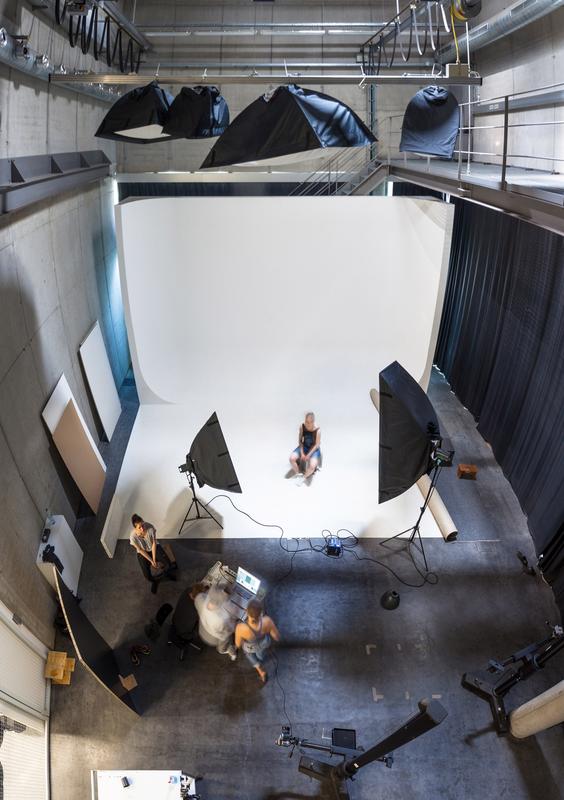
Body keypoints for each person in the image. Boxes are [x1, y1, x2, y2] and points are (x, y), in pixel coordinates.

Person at [130, 514, 177, 594]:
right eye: (139, 527)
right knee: (147, 576)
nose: (142, 528)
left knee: (168, 565)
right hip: (143, 553)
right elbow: (140, 550)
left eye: (143, 525)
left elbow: (154, 544)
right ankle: (155, 581)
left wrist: (154, 559)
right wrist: (151, 561)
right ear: (135, 528)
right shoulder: (132, 537)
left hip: (153, 547)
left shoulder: (150, 528)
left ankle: (166, 575)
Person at [235, 600, 280, 684]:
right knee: (261, 655)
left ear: (246, 612)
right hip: (264, 643)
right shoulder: (267, 621)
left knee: (248, 654)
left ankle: (260, 670)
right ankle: (261, 659)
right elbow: (276, 637)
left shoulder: (240, 627)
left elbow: (238, 644)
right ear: (261, 613)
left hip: (250, 647)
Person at [190, 583, 237, 660]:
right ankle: (225, 651)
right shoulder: (220, 619)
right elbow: (230, 629)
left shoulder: (199, 599)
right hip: (213, 637)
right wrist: (234, 620)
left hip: (204, 630)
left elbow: (210, 591)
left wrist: (222, 588)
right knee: (226, 639)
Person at [289, 411, 321, 484]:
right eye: (306, 421)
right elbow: (300, 441)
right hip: (304, 447)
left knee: (312, 466)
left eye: (310, 422)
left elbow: (317, 445)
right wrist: (302, 453)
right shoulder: (302, 426)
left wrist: (309, 455)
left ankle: (303, 477)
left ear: (313, 421)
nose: (307, 424)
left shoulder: (318, 430)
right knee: (291, 458)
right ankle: (298, 474)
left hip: (314, 450)